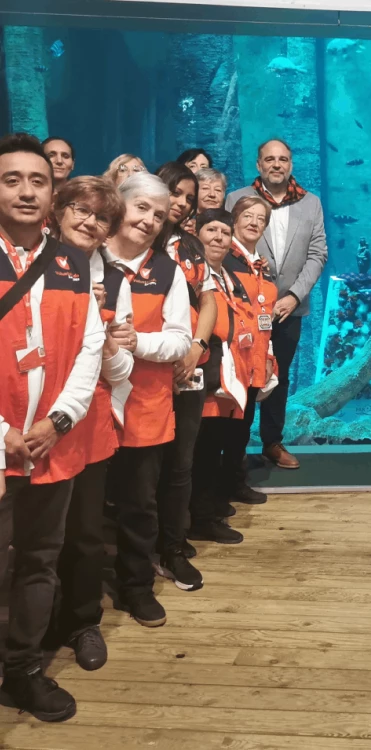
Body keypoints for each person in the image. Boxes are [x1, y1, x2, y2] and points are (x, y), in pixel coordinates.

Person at [0, 133, 105, 722]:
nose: (26, 190)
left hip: (49, 444)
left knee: (40, 559)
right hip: (0, 446)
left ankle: (23, 671)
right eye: (12, 179)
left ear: (53, 192)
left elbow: (90, 348)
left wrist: (60, 419)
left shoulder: (70, 260)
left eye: (37, 181)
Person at [49, 177, 132, 671]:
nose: (89, 221)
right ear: (57, 211)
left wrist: (110, 340)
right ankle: (31, 628)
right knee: (35, 535)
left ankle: (82, 623)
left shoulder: (116, 281)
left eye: (100, 217)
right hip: (25, 419)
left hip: (88, 424)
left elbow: (121, 372)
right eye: (79, 209)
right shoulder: (27, 263)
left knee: (83, 533)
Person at [103, 173, 192, 627]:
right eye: (141, 208)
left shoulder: (167, 271)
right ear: (117, 204)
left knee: (140, 504)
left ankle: (135, 587)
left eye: (159, 215)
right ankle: (80, 598)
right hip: (88, 410)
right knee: (87, 510)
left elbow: (181, 342)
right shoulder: (82, 260)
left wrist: (138, 342)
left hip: (146, 406)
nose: (149, 220)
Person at [225, 139, 328, 470]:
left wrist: (293, 296)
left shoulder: (311, 204)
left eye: (283, 159)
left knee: (277, 376)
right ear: (258, 164)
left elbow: (317, 254)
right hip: (243, 309)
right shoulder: (236, 200)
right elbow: (227, 249)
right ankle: (235, 447)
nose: (276, 164)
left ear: (291, 165)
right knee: (242, 374)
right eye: (269, 159)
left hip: (289, 308)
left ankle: (272, 441)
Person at [189, 208, 274, 543]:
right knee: (202, 450)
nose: (219, 238)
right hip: (204, 374)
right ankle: (200, 517)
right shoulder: (194, 275)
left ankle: (207, 510)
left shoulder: (229, 276)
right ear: (196, 234)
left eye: (224, 233)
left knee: (212, 448)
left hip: (229, 375)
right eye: (211, 230)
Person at [151, 162, 217, 590]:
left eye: (188, 198)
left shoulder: (191, 245)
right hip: (141, 370)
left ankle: (172, 546)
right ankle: (142, 549)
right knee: (143, 467)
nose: (181, 203)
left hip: (188, 369)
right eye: (176, 192)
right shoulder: (132, 235)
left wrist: (197, 348)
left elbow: (209, 301)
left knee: (180, 463)